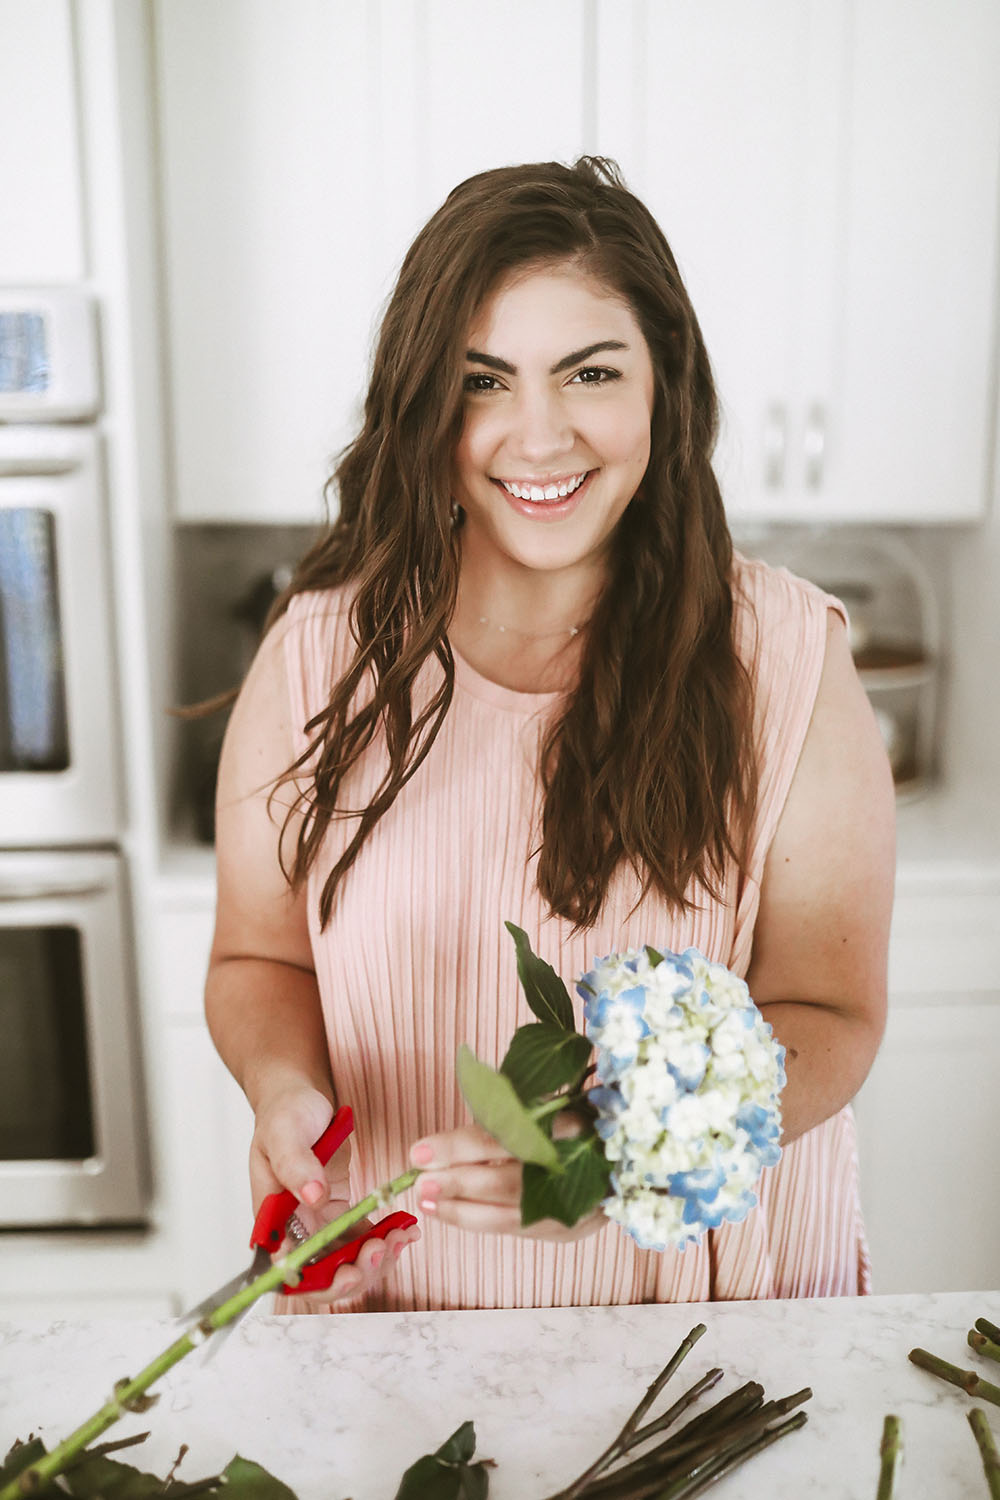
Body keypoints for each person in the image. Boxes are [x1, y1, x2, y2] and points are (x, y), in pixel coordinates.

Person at [206, 157, 895, 1313]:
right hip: (401, 1309)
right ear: (427, 405)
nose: (538, 435)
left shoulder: (787, 655)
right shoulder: (316, 656)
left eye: (588, 372)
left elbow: (830, 1012)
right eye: (484, 380)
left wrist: (626, 1160)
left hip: (715, 1328)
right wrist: (284, 1090)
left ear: (662, 385)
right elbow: (258, 960)